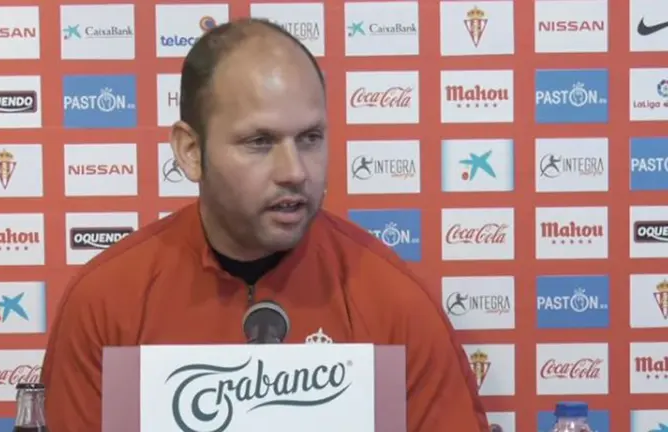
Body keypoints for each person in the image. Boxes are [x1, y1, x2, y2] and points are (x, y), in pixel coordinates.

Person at [40, 18, 490, 431]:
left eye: (310, 138)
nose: (294, 170)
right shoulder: (106, 301)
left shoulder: (394, 301)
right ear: (190, 151)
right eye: (260, 141)